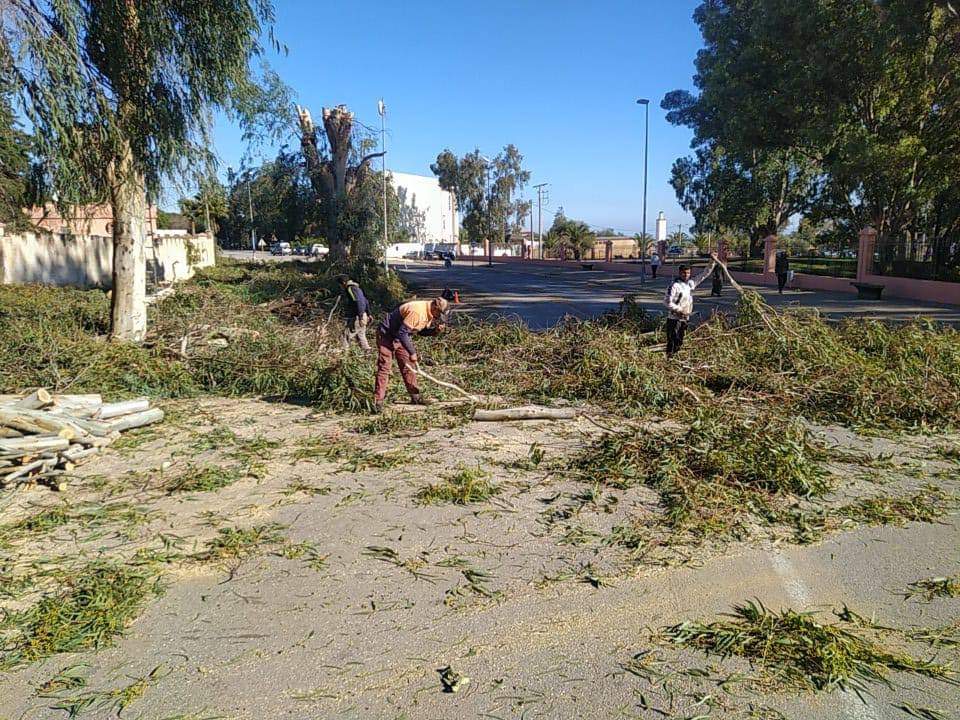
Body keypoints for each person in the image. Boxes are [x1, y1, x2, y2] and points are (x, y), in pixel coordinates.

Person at [373, 296, 450, 412]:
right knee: (385, 367)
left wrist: (435, 331)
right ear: (434, 306)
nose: (438, 317)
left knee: (408, 366)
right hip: (386, 335)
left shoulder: (428, 313)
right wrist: (412, 352)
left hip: (399, 337)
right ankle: (377, 402)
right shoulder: (418, 311)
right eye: (439, 314)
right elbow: (403, 333)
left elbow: (420, 331)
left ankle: (415, 396)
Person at [663, 253, 718, 357]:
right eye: (684, 273)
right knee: (672, 342)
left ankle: (674, 359)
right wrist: (679, 309)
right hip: (674, 319)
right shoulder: (674, 286)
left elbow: (704, 274)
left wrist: (712, 262)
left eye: (688, 273)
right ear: (679, 273)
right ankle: (669, 360)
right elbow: (667, 302)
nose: (686, 275)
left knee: (680, 341)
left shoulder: (690, 284)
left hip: (685, 318)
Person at [337, 275, 370, 351]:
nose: (341, 287)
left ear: (343, 283)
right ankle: (367, 352)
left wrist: (361, 316)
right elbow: (365, 301)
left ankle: (344, 354)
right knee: (360, 335)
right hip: (363, 314)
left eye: (340, 285)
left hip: (357, 317)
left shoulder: (350, 289)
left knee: (344, 336)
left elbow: (359, 301)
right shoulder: (357, 288)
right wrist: (368, 313)